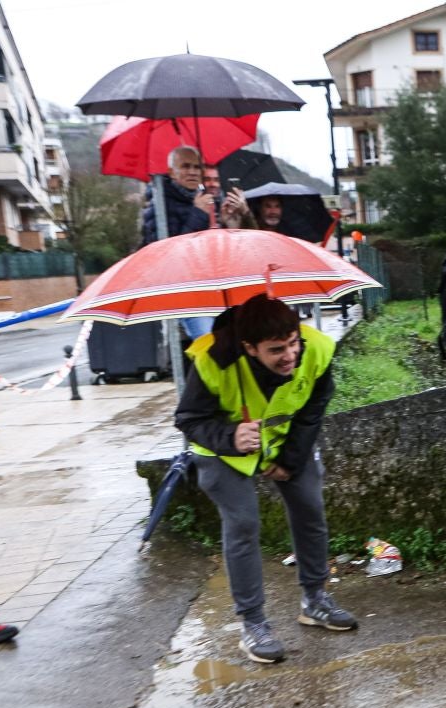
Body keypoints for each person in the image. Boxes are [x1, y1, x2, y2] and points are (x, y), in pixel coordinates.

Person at [174, 294, 355, 664]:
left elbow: (313, 408)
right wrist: (230, 438)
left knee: (310, 511)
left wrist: (289, 460)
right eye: (277, 350)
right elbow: (189, 419)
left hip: (284, 444)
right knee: (243, 524)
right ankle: (253, 623)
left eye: (293, 343)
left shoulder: (316, 349)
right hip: (223, 452)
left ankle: (315, 600)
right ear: (250, 348)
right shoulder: (212, 361)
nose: (290, 355)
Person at [142, 146, 215, 339]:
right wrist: (199, 214)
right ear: (171, 172)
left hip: (212, 286)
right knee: (208, 348)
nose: (192, 171)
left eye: (196, 167)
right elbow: (170, 254)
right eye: (185, 166)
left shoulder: (204, 199)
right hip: (187, 293)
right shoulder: (159, 205)